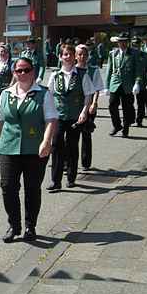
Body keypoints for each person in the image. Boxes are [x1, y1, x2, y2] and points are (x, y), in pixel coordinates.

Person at [0, 55, 58, 243]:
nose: (22, 73)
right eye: (18, 70)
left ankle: (30, 226)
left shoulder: (43, 93)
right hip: (8, 147)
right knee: (7, 187)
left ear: (33, 72)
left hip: (34, 149)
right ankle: (14, 225)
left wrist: (46, 141)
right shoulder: (6, 94)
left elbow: (51, 119)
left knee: (32, 188)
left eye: (26, 70)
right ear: (14, 73)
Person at [46, 45, 94, 191]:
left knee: (72, 146)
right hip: (58, 116)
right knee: (56, 147)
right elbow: (48, 95)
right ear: (60, 57)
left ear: (74, 57)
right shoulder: (55, 75)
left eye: (70, 54)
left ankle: (71, 177)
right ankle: (56, 180)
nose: (67, 57)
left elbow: (88, 94)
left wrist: (84, 111)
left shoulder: (82, 74)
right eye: (65, 54)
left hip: (75, 116)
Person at [105, 32, 142, 138]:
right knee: (112, 105)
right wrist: (107, 86)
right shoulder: (113, 53)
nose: (123, 44)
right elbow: (109, 70)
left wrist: (137, 83)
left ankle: (125, 129)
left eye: (125, 41)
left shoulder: (134, 53)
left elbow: (138, 70)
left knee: (127, 108)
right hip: (115, 83)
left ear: (128, 42)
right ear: (118, 43)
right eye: (121, 41)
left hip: (128, 85)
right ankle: (117, 125)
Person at [75, 44, 104, 171]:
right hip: (74, 106)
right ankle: (68, 162)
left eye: (85, 55)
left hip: (89, 105)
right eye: (80, 54)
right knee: (71, 136)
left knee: (86, 134)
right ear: (75, 56)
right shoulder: (71, 69)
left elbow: (97, 88)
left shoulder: (93, 70)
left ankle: (86, 163)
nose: (82, 57)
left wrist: (94, 103)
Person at [131, 36, 147, 127]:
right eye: (134, 44)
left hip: (142, 83)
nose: (135, 46)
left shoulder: (145, 55)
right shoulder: (128, 54)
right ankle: (130, 119)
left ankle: (139, 120)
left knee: (140, 103)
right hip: (130, 83)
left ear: (140, 45)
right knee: (128, 103)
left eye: (137, 44)